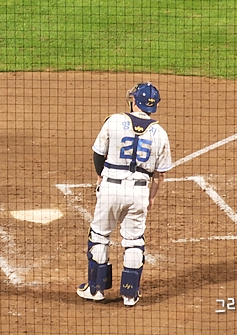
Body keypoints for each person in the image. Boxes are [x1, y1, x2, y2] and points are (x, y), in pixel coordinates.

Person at [77, 82, 172, 306]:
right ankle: (130, 294)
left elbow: (98, 153)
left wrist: (100, 176)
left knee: (99, 236)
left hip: (111, 188)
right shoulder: (160, 133)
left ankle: (96, 289)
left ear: (134, 100)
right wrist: (151, 197)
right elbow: (159, 175)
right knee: (134, 240)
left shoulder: (114, 121)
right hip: (139, 191)